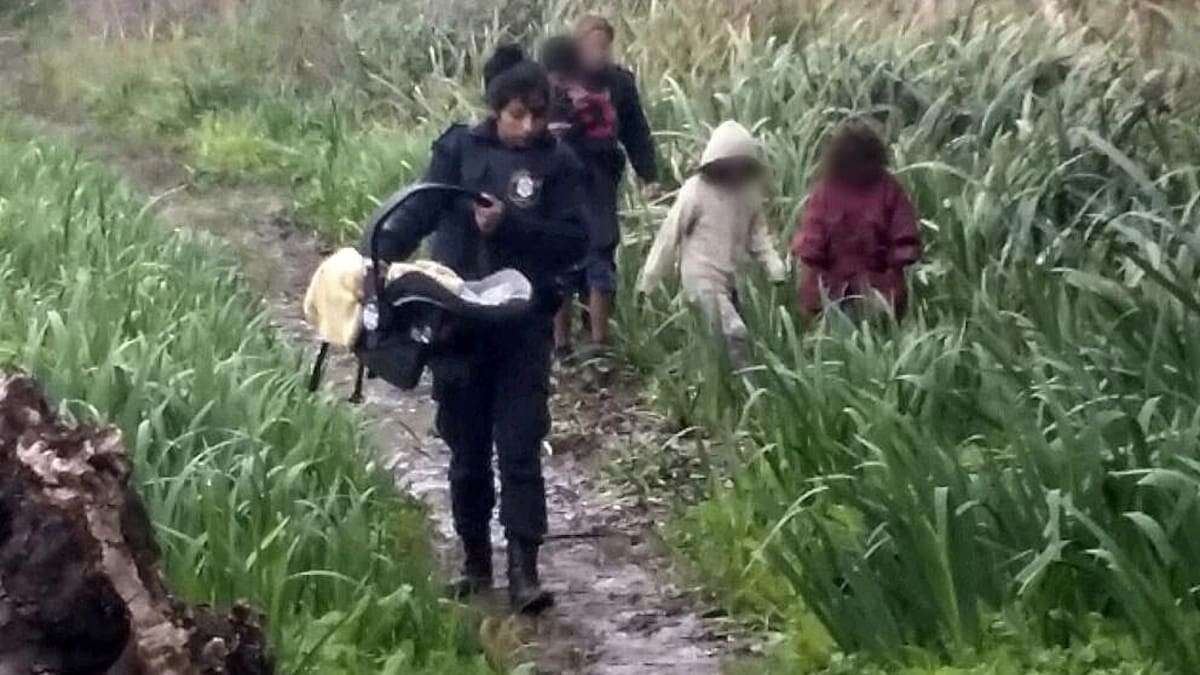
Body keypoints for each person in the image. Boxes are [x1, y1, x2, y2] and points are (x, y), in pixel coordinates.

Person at [368, 44, 588, 615]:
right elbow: (419, 213)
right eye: (518, 114)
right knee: (464, 451)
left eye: (538, 115)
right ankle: (474, 561)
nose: (529, 125)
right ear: (496, 108)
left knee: (519, 447)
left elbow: (575, 242)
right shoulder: (458, 150)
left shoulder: (559, 165)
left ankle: (524, 570)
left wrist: (510, 225)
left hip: (523, 327)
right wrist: (375, 256)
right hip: (456, 326)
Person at [546, 15, 659, 357]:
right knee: (561, 260)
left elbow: (636, 130)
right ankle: (561, 344)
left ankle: (598, 344)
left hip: (601, 178)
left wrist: (649, 173)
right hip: (561, 181)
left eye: (604, 46)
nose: (598, 53)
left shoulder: (619, 83)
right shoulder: (557, 80)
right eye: (591, 45)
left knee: (600, 254)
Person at [636, 121, 785, 364]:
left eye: (741, 162)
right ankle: (742, 387)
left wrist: (773, 265)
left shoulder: (749, 193)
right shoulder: (696, 191)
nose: (735, 168)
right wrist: (649, 280)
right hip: (702, 275)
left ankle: (728, 389)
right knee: (735, 332)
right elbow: (669, 236)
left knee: (723, 342)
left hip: (733, 277)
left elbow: (758, 235)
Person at [791, 118, 922, 321]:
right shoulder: (828, 191)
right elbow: (811, 246)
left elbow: (904, 240)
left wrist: (890, 274)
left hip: (876, 290)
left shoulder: (886, 188)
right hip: (835, 290)